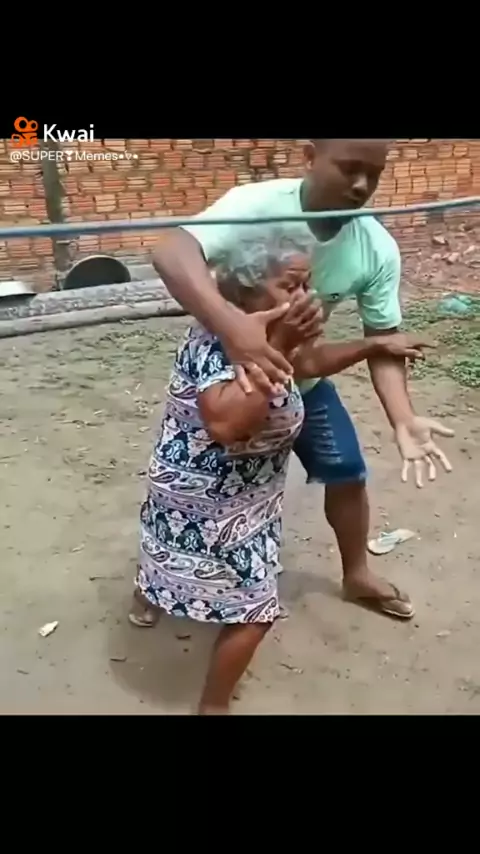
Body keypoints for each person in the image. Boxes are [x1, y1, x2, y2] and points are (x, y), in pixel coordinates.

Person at [150, 139, 455, 620]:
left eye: (373, 174)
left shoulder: (375, 248)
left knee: (347, 471)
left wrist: (403, 418)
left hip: (298, 380)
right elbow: (170, 251)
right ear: (310, 157)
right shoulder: (256, 206)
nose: (361, 185)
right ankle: (153, 584)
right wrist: (235, 331)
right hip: (230, 381)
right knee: (194, 491)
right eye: (349, 168)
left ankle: (357, 574)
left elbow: (383, 341)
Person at [130, 242, 431, 714]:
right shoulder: (221, 339)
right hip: (210, 498)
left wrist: (374, 345)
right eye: (291, 286)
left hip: (243, 494)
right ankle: (213, 707)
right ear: (247, 291)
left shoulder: (264, 331)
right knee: (255, 611)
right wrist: (285, 344)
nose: (306, 297)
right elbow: (228, 424)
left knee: (168, 550)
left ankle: (149, 596)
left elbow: (304, 366)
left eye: (308, 284)